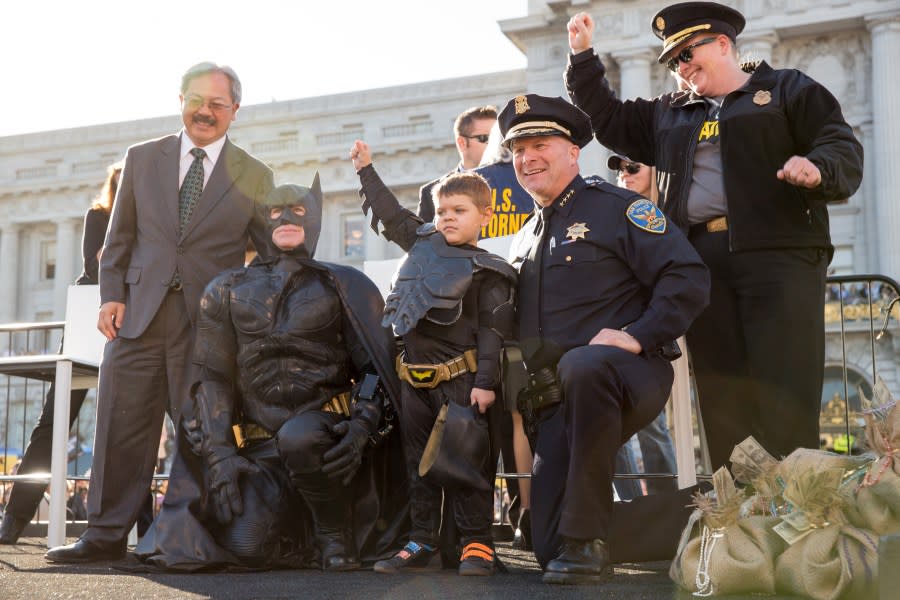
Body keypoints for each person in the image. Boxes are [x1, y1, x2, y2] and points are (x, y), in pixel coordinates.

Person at [566, 2, 864, 469]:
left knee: (785, 384)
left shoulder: (787, 90)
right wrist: (583, 57)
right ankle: (738, 513)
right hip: (700, 261)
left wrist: (817, 167)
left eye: (688, 54)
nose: (681, 68)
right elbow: (607, 117)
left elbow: (839, 144)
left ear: (723, 44)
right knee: (723, 391)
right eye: (673, 61)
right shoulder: (668, 113)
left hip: (778, 257)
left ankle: (795, 510)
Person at [46, 62, 274, 563]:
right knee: (119, 427)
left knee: (198, 432)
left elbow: (271, 255)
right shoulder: (142, 158)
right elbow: (118, 238)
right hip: (137, 317)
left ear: (235, 111)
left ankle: (186, 536)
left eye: (217, 103)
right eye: (197, 99)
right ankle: (104, 534)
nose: (205, 111)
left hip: (206, 325)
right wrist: (110, 294)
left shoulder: (256, 175)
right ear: (180, 100)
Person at [135, 181, 408, 571]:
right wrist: (220, 455)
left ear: (313, 218)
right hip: (260, 442)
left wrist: (362, 426)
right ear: (259, 219)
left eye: (298, 210)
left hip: (324, 435)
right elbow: (214, 378)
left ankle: (333, 531)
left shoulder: (343, 284)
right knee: (246, 547)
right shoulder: (224, 289)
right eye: (274, 209)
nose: (285, 217)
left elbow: (374, 369)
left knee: (300, 437)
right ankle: (297, 535)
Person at [500, 94, 709, 584]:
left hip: (622, 375)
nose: (527, 157)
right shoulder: (525, 234)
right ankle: (705, 508)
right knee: (546, 543)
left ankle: (584, 542)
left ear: (573, 151)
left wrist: (638, 336)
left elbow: (687, 276)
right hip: (557, 397)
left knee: (585, 363)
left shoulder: (618, 207)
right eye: (518, 148)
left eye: (540, 144)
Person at [351, 140, 516, 576]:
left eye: (459, 211)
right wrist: (366, 170)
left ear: (485, 215)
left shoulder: (490, 269)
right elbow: (390, 215)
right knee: (417, 467)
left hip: (462, 384)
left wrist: (484, 382)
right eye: (442, 211)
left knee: (467, 464)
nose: (447, 219)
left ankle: (476, 543)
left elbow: (492, 333)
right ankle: (422, 540)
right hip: (413, 384)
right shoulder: (421, 243)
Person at [0, 162, 121, 545]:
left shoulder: (160, 228)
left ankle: (147, 526)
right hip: (89, 323)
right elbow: (96, 267)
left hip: (139, 330)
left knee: (135, 429)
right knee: (52, 425)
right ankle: (14, 518)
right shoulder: (99, 216)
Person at [608, 154, 678, 496]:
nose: (624, 174)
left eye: (633, 167)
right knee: (611, 423)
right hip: (610, 328)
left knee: (652, 421)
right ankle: (630, 504)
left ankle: (666, 505)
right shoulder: (611, 212)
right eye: (620, 169)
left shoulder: (670, 214)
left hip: (651, 329)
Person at [417, 106, 497, 223]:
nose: (496, 145)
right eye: (485, 138)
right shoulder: (429, 193)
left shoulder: (515, 184)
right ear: (462, 143)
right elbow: (423, 240)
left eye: (498, 138)